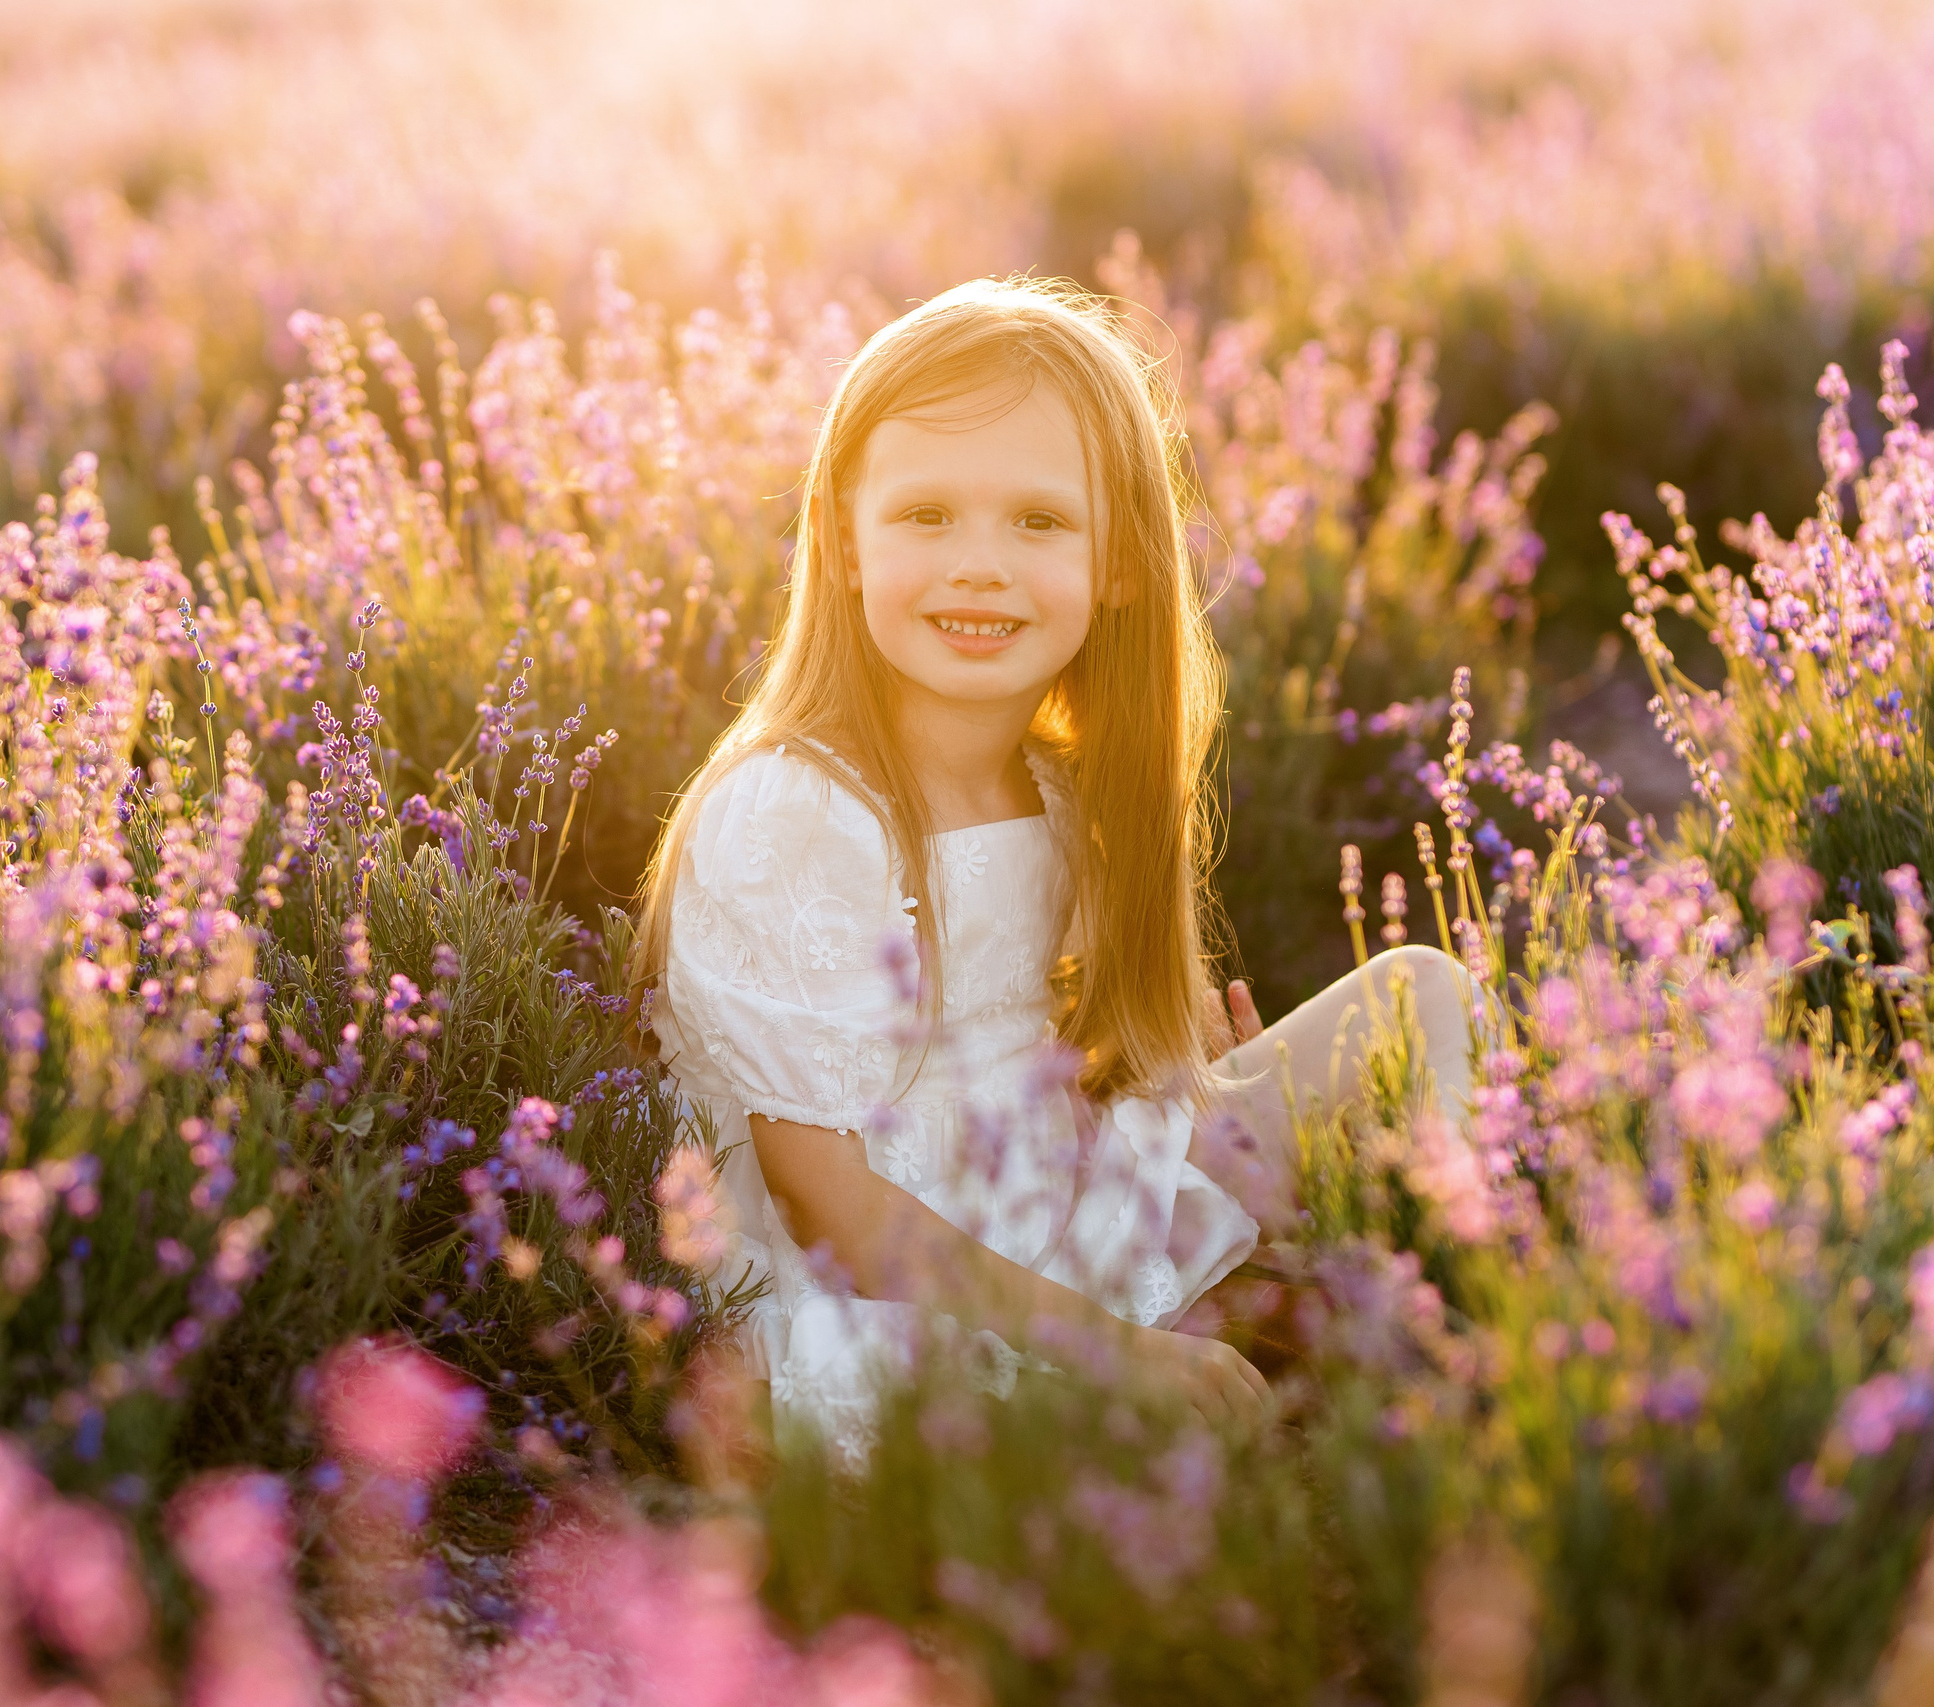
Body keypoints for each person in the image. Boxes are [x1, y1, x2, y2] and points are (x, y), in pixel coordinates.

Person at [625, 276, 1476, 1461]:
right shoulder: (799, 806)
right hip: (886, 1290)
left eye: (1037, 522)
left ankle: (1464, 1327)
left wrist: (1179, 1082)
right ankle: (1236, 1366)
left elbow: (1062, 1058)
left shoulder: (1061, 786)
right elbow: (827, 1199)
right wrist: (1112, 1349)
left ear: (1119, 560)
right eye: (926, 516)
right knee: (1023, 1402)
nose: (979, 564)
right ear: (843, 539)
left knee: (1422, 993)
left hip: (1052, 1208)